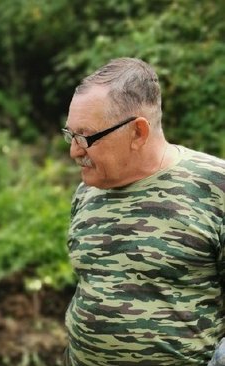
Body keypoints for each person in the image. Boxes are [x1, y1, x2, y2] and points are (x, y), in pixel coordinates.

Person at [61, 57, 225, 365]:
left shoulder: (216, 186)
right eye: (70, 134)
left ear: (138, 132)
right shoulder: (88, 190)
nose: (74, 151)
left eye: (86, 136)